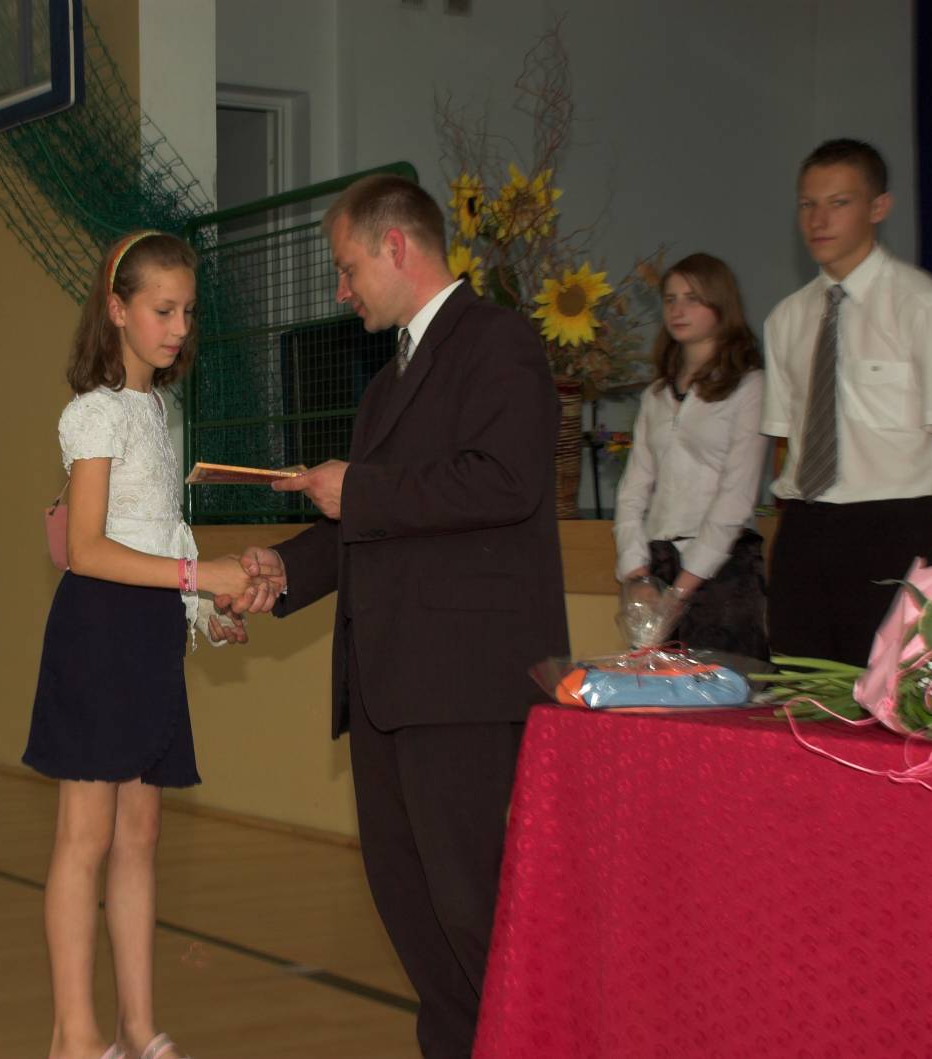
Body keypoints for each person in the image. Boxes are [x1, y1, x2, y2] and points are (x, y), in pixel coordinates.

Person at [215, 174, 569, 1057]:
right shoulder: (387, 385)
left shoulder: (499, 342)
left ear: (397, 247)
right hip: (389, 686)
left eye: (346, 268)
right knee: (415, 913)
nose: (341, 291)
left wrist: (362, 489)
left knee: (476, 913)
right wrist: (282, 571)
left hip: (465, 687)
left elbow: (506, 481)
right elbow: (363, 524)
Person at [23, 231, 272, 1059]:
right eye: (163, 310)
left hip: (151, 633)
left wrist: (204, 608)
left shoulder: (161, 410)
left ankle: (136, 1024)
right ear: (117, 309)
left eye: (187, 311)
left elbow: (160, 530)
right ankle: (77, 1035)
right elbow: (88, 547)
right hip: (98, 632)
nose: (179, 327)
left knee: (140, 837)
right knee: (85, 838)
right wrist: (201, 576)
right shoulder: (94, 411)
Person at [762, 139, 932, 665]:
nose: (819, 220)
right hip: (803, 531)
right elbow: (786, 445)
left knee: (883, 697)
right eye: (807, 204)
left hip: (891, 530)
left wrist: (922, 546)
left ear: (878, 207)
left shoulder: (923, 306)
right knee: (799, 691)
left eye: (839, 203)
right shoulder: (786, 318)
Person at [613, 253, 770, 658]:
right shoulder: (656, 396)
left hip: (724, 571)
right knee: (655, 691)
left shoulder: (749, 387)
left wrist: (681, 591)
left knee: (725, 689)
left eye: (692, 298)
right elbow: (633, 491)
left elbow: (736, 498)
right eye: (670, 299)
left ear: (720, 305)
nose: (678, 310)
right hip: (658, 567)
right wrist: (637, 576)